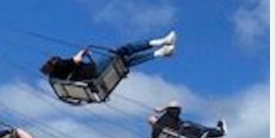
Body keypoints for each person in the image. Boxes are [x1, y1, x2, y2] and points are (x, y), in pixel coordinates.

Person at [41, 31, 177, 81]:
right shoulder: (61, 65)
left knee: (124, 63)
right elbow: (75, 60)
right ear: (53, 63)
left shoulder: (59, 78)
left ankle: (161, 52)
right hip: (95, 69)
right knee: (122, 50)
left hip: (96, 76)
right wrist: (83, 52)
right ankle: (162, 41)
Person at [149, 102, 226, 138]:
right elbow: (175, 104)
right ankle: (219, 132)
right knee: (194, 129)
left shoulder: (155, 135)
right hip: (186, 135)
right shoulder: (166, 118)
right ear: (157, 118)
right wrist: (161, 109)